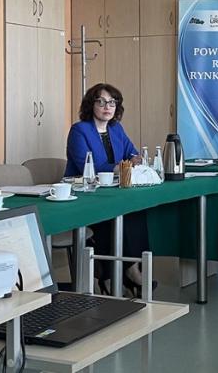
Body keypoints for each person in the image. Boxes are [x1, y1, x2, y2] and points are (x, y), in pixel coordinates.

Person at [64, 83, 148, 295]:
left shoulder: (116, 129)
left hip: (111, 190)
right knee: (111, 216)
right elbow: (87, 166)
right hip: (85, 194)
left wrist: (134, 160)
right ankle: (114, 275)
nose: (107, 107)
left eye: (112, 102)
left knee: (136, 211)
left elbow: (132, 154)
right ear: (91, 105)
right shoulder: (79, 130)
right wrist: (121, 167)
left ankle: (131, 268)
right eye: (101, 102)